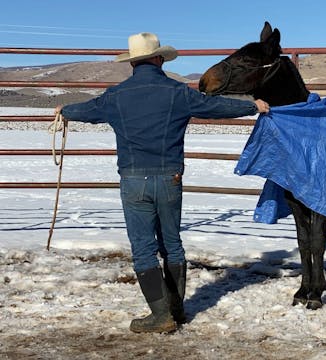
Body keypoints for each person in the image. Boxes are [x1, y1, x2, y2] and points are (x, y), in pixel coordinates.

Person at [55, 32, 269, 334]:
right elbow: (215, 107)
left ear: (133, 63)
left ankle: (160, 314)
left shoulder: (115, 96)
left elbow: (86, 110)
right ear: (158, 59)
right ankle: (177, 308)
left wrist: (64, 111)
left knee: (143, 248)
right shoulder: (177, 92)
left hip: (133, 180)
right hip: (170, 177)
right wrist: (252, 106)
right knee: (172, 243)